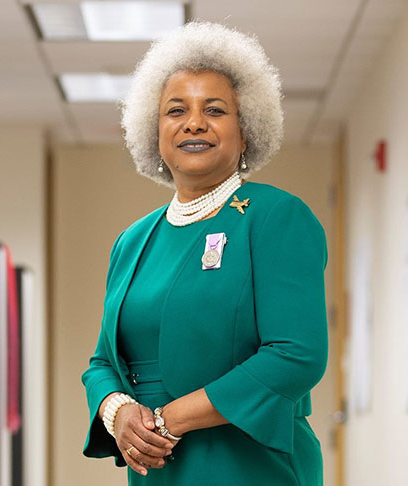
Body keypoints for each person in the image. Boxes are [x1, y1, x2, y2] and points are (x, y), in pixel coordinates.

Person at [81, 21, 328, 485]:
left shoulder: (275, 217)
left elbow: (297, 354)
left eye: (214, 110)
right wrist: (117, 413)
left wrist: (172, 418)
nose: (194, 122)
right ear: (154, 133)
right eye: (176, 110)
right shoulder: (132, 240)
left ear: (247, 130)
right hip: (157, 467)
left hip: (251, 465)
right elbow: (102, 364)